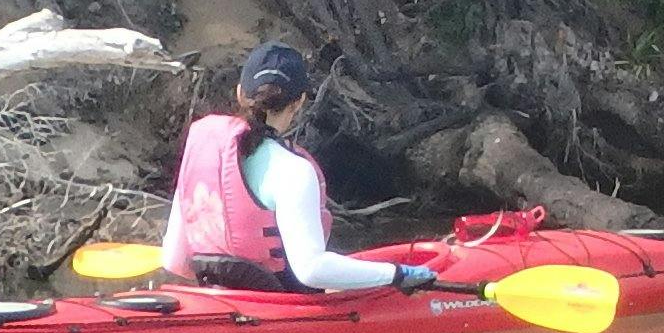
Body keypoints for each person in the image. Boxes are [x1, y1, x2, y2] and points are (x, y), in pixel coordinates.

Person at [159, 44, 458, 295]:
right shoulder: (293, 171)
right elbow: (311, 270)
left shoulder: (201, 146)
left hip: (217, 298)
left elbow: (174, 260)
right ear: (300, 101)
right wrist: (396, 275)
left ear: (240, 94)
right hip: (281, 307)